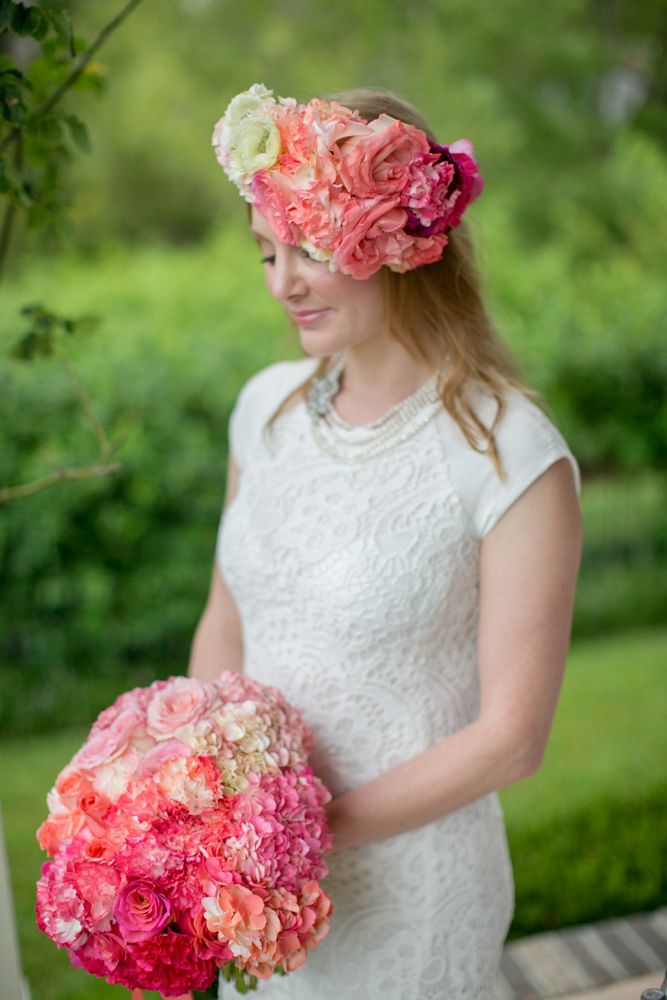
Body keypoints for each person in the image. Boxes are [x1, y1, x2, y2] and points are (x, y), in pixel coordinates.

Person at [188, 84, 583, 1000]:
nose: (282, 281)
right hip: (261, 891)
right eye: (266, 252)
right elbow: (224, 624)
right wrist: (206, 808)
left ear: (394, 241)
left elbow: (510, 741)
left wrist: (300, 830)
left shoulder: (508, 449)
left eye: (309, 248)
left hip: (415, 889)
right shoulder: (263, 410)